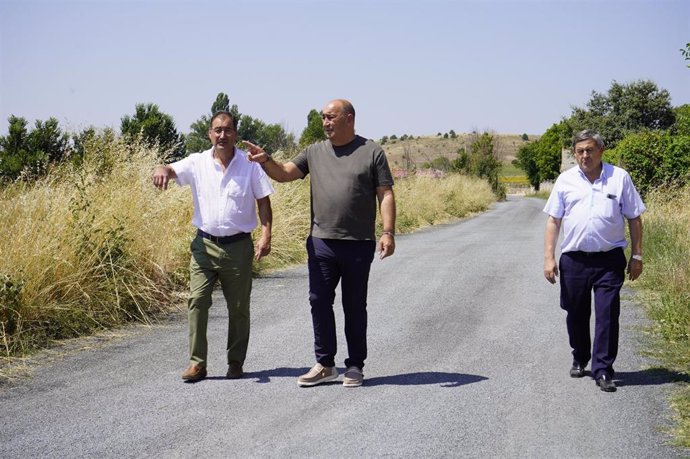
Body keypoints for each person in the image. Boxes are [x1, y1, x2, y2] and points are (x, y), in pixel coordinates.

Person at [244, 99, 396, 388]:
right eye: (323, 118)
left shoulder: (371, 151)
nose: (325, 122)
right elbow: (286, 174)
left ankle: (354, 366)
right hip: (321, 242)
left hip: (358, 242)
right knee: (319, 302)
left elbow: (385, 194)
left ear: (348, 118)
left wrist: (388, 232)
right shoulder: (314, 152)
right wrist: (266, 160)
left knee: (354, 305)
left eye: (331, 117)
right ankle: (325, 364)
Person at [152, 110, 274, 382]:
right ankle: (197, 364)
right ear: (209, 133)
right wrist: (162, 169)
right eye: (217, 130)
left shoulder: (250, 164)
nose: (222, 135)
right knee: (197, 300)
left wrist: (266, 235)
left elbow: (263, 201)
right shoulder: (197, 162)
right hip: (204, 245)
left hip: (239, 247)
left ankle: (235, 362)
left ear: (235, 135)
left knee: (239, 307)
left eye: (227, 129)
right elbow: (172, 170)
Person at [543, 129, 645, 392]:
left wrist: (637, 255)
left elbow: (634, 217)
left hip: (609, 260)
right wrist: (549, 258)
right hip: (574, 260)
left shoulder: (619, 178)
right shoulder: (565, 181)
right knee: (575, 312)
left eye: (589, 150)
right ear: (575, 154)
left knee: (607, 314)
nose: (585, 155)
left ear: (601, 150)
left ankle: (603, 369)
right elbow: (554, 220)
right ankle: (580, 355)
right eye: (580, 151)